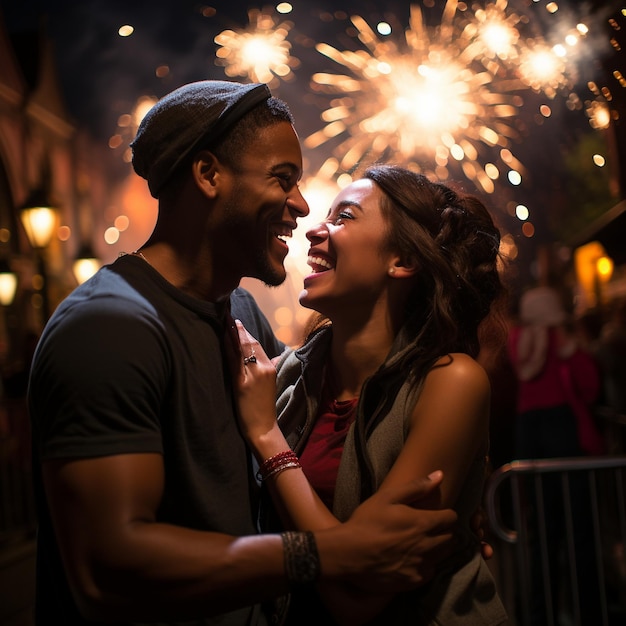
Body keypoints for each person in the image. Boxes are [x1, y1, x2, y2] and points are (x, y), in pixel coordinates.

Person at [27, 80, 460, 626]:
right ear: (208, 175)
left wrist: (450, 526)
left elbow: (322, 441)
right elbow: (106, 572)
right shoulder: (108, 329)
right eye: (282, 179)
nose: (302, 207)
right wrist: (327, 554)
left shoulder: (241, 315)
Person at [229, 164, 509, 625]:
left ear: (401, 261)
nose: (314, 230)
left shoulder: (451, 381)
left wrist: (267, 439)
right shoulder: (288, 378)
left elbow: (356, 601)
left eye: (345, 217)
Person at [507, 284, 603, 624]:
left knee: (541, 535)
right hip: (567, 441)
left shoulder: (518, 341)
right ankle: (588, 611)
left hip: (529, 441)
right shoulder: (565, 344)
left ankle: (540, 612)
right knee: (581, 532)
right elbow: (589, 387)